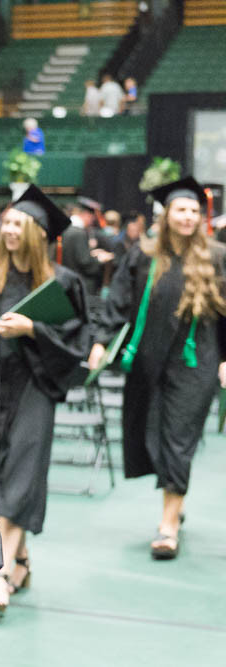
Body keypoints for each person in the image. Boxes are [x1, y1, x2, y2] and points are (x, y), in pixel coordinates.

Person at [88, 177, 226, 560]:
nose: (188, 217)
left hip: (196, 361)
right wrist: (101, 340)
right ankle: (174, 504)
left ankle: (168, 525)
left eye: (195, 212)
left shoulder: (215, 256)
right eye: (182, 210)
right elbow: (117, 299)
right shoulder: (143, 255)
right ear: (167, 216)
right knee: (153, 433)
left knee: (179, 439)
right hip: (148, 360)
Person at [0, 184, 91, 612]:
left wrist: (33, 330)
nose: (10, 228)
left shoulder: (63, 284)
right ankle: (20, 561)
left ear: (40, 232)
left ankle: (0, 575)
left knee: (21, 473)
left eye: (21, 222)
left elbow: (79, 341)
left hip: (37, 387)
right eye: (9, 220)